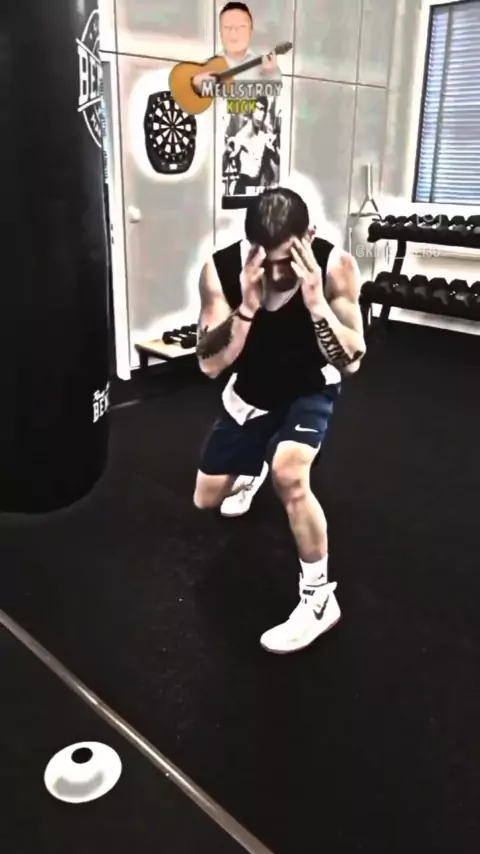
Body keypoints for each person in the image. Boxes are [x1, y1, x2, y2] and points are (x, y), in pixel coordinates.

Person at [193, 188, 366, 654]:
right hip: (251, 391)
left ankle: (319, 600)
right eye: (265, 260)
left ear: (309, 235)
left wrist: (316, 304)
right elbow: (209, 365)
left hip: (308, 387)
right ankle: (252, 470)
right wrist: (248, 307)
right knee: (207, 499)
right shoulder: (222, 270)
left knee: (290, 475)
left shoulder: (336, 265)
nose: (274, 272)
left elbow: (352, 361)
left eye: (285, 259)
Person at [192, 2, 280, 95]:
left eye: (241, 27)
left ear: (251, 30)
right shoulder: (209, 64)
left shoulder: (265, 66)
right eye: (227, 27)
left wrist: (270, 74)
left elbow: (273, 95)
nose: (233, 33)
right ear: (220, 32)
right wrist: (195, 84)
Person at [225, 97, 280, 194]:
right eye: (257, 109)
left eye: (263, 110)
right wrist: (231, 152)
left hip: (257, 189)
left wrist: (274, 150)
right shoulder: (241, 136)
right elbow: (230, 157)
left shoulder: (264, 137)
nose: (260, 115)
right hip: (242, 189)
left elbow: (277, 161)